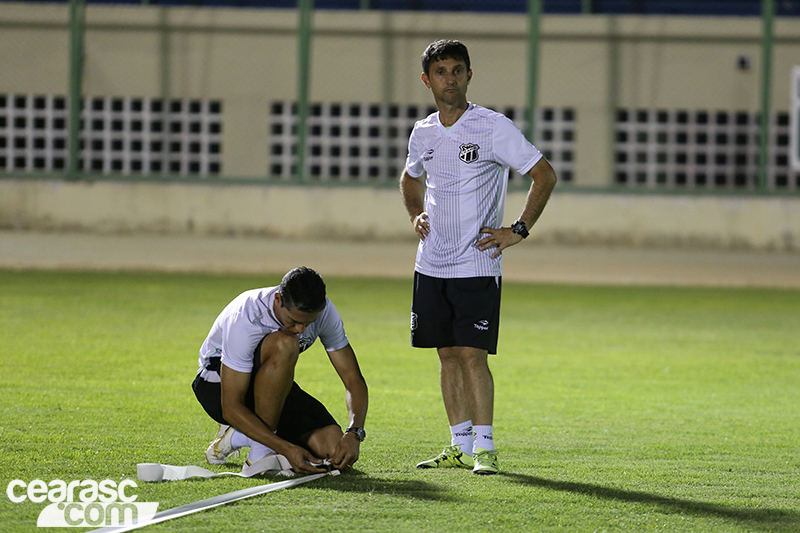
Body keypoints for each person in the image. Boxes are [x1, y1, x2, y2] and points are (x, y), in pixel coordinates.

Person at [400, 39, 557, 475]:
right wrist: (416, 214)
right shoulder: (423, 132)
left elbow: (544, 175)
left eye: (456, 70)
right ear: (427, 80)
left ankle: (485, 448)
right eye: (440, 72)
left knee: (472, 355)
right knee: (446, 355)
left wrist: (518, 230)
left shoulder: (492, 127)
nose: (449, 79)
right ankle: (458, 444)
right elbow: (410, 178)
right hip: (430, 264)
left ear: (469, 75)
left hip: (476, 263)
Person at [192, 266, 368, 475]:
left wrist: (354, 432)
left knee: (334, 452)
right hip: (216, 385)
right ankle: (258, 456)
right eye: (294, 321)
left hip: (270, 385)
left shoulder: (325, 312)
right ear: (277, 299)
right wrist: (284, 448)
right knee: (285, 343)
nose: (301, 330)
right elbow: (230, 406)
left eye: (308, 323)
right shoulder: (246, 315)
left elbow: (353, 379)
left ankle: (237, 436)